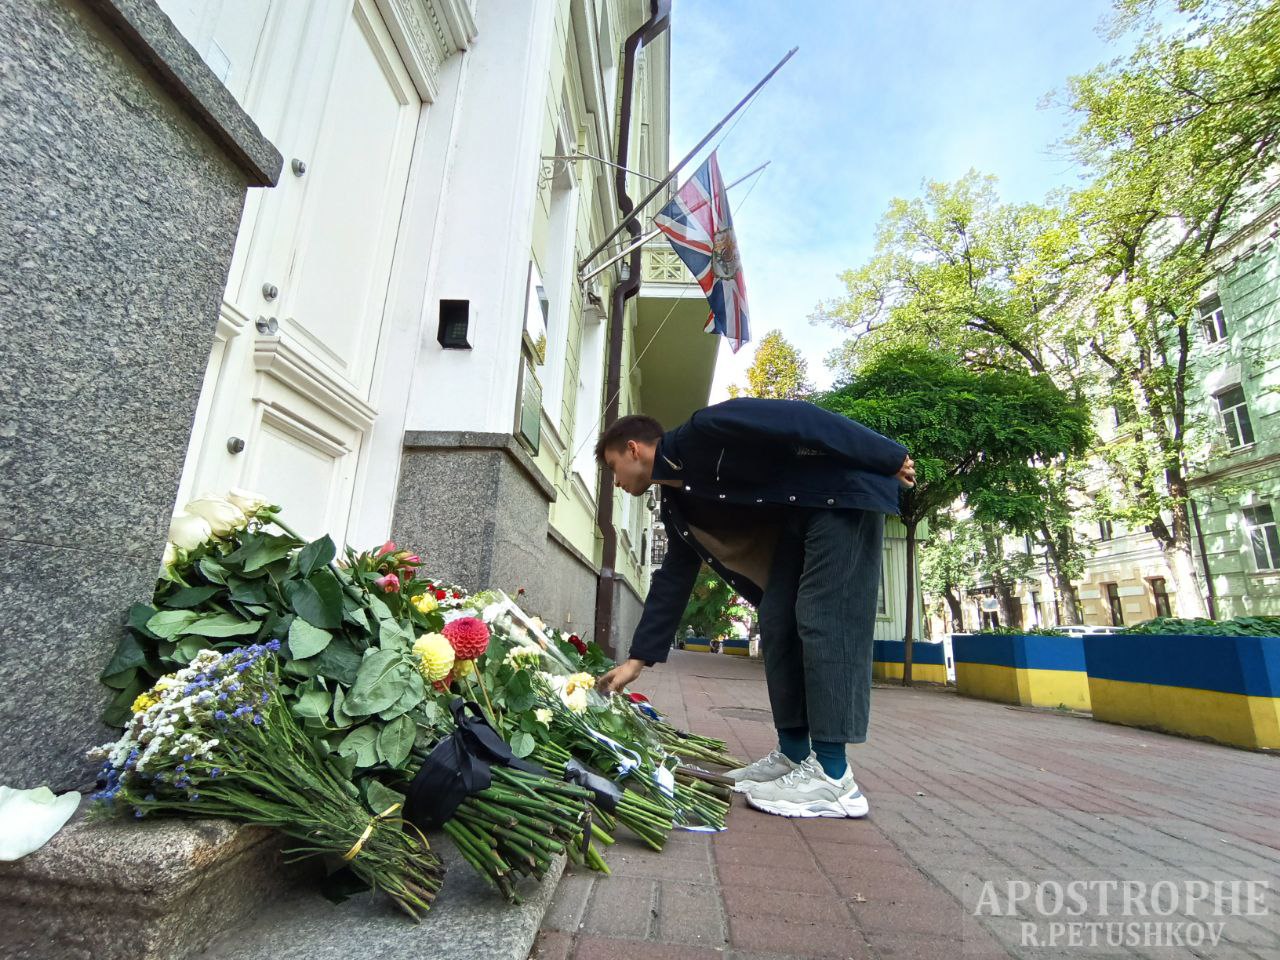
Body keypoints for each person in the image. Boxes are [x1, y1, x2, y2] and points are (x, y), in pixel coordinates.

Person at [595, 398, 915, 819]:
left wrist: (888, 456)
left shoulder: (706, 428)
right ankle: (795, 755)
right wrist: (637, 660)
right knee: (778, 621)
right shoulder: (676, 506)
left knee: (823, 620)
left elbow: (801, 419)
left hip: (841, 496)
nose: (614, 482)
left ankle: (835, 780)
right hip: (799, 517)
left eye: (612, 467)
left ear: (634, 449)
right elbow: (674, 576)